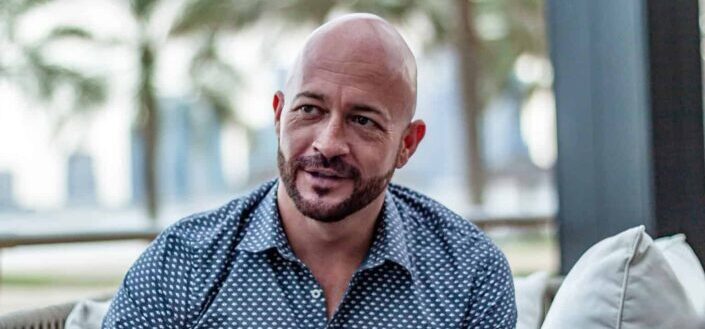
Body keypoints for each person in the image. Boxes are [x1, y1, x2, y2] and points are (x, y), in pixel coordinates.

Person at [103, 13, 517, 329]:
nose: (328, 143)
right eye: (309, 110)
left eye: (363, 120)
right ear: (279, 115)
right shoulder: (183, 264)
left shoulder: (470, 273)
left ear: (406, 144)